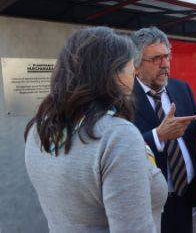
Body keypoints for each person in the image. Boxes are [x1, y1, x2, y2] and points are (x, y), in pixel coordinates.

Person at [24, 26, 167, 233]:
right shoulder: (117, 135)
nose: (134, 71)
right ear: (111, 73)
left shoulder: (39, 128)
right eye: (130, 65)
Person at [130, 26, 196, 233]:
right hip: (150, 202)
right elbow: (122, 149)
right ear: (136, 65)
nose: (164, 65)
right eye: (155, 59)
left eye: (167, 57)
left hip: (185, 193)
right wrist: (158, 136)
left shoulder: (181, 88)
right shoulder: (123, 98)